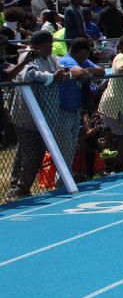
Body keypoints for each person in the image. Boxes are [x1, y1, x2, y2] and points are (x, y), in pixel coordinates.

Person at [5, 31, 74, 202]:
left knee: (28, 153)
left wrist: (64, 74)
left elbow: (62, 68)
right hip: (26, 116)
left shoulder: (50, 57)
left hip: (45, 116)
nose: (51, 46)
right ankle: (20, 189)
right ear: (40, 44)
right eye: (49, 43)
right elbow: (28, 74)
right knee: (32, 154)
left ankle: (18, 187)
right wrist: (52, 77)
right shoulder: (28, 56)